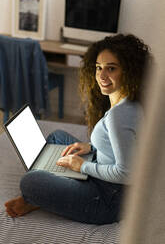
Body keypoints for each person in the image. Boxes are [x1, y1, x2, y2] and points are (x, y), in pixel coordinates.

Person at [5, 34, 152, 224]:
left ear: (129, 71)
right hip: (107, 179)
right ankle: (56, 183)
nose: (101, 75)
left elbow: (127, 173)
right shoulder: (128, 102)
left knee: (29, 182)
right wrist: (91, 148)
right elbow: (125, 147)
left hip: (107, 200)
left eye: (111, 68)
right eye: (99, 67)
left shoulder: (120, 116)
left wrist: (82, 166)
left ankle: (41, 196)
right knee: (58, 137)